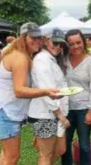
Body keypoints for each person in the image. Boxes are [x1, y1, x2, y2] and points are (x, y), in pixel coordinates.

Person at [0, 22, 61, 165]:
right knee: (12, 157)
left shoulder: (13, 52)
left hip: (1, 110)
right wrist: (46, 91)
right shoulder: (20, 57)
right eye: (33, 38)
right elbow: (19, 91)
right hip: (6, 113)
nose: (38, 41)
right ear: (22, 38)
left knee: (6, 154)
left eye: (39, 38)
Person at [28, 28, 70, 165]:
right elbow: (47, 91)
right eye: (55, 43)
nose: (58, 47)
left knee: (59, 150)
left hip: (54, 114)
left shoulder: (51, 59)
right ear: (46, 41)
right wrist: (60, 115)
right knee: (46, 154)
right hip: (45, 114)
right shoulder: (42, 60)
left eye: (61, 44)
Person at [61, 29, 91, 165]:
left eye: (78, 42)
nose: (76, 46)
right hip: (66, 109)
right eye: (71, 44)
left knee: (84, 144)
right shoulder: (63, 60)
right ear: (66, 45)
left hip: (84, 108)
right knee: (64, 143)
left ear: (84, 42)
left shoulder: (90, 61)